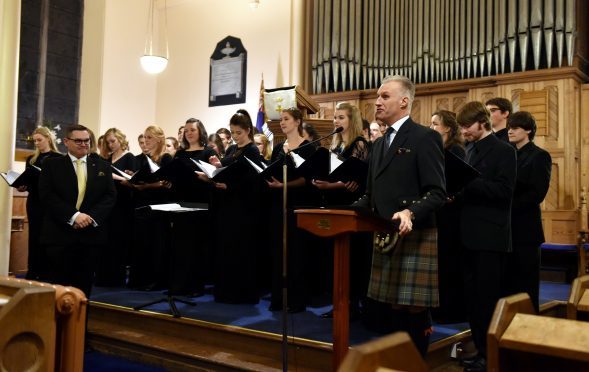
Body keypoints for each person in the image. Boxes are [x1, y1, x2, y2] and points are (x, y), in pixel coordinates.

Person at [354, 75, 446, 357]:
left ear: (404, 101)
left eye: (384, 96)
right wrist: (345, 210)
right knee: (392, 307)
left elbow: (436, 192)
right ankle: (399, 361)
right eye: (377, 96)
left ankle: (416, 363)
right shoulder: (379, 144)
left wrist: (410, 211)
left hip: (414, 232)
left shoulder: (425, 137)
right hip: (384, 234)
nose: (377, 102)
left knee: (413, 309)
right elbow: (371, 194)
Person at [457, 101, 516, 372]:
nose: (463, 132)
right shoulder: (469, 149)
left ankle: (491, 355)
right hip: (469, 233)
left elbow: (505, 192)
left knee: (488, 300)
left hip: (490, 236)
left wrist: (467, 181)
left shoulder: (504, 150)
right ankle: (480, 349)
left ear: (483, 122)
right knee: (472, 299)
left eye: (467, 126)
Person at [38, 124, 116, 297]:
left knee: (83, 290)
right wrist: (74, 216)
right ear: (66, 141)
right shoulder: (52, 165)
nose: (83, 144)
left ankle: (80, 325)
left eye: (87, 140)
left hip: (90, 237)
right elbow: (46, 195)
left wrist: (90, 217)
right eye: (78, 141)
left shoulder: (102, 165)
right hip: (60, 235)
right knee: (59, 290)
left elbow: (109, 196)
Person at [311, 102, 371, 319]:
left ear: (351, 120)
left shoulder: (360, 144)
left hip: (352, 207)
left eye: (341, 117)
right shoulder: (335, 146)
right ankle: (339, 303)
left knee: (353, 258)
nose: (336, 121)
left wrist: (332, 184)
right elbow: (338, 176)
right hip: (334, 203)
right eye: (335, 117)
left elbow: (356, 180)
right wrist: (322, 181)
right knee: (336, 257)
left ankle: (354, 304)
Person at [207, 113, 265, 304]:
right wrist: (215, 168)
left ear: (248, 130)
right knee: (226, 249)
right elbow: (226, 168)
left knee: (241, 250)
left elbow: (253, 181)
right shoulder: (232, 149)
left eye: (239, 132)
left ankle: (242, 294)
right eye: (233, 132)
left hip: (243, 209)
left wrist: (230, 186)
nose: (235, 136)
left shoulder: (253, 151)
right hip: (227, 206)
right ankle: (226, 291)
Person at [267, 107, 318, 313]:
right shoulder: (279, 148)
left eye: (286, 119)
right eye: (281, 120)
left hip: (298, 202)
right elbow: (272, 171)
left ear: (297, 122)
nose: (282, 123)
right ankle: (279, 298)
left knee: (296, 252)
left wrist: (284, 185)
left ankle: (296, 299)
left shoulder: (308, 147)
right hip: (278, 202)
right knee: (279, 250)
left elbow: (307, 179)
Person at [506, 111, 551, 312]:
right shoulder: (508, 154)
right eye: (509, 127)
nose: (510, 131)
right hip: (506, 228)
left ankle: (527, 324)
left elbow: (537, 194)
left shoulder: (540, 156)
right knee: (509, 282)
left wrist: (506, 205)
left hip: (525, 228)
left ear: (529, 130)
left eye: (515, 127)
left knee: (526, 282)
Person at [429, 110, 468, 323]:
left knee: (450, 262)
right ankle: (439, 308)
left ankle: (451, 310)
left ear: (448, 128)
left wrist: (452, 194)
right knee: (440, 263)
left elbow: (462, 180)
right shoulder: (437, 148)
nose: (431, 127)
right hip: (439, 210)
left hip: (452, 214)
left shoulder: (456, 150)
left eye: (435, 123)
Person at [94, 128, 137, 287]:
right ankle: (104, 276)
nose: (110, 145)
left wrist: (118, 177)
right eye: (108, 142)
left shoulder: (129, 157)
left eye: (113, 141)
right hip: (107, 203)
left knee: (118, 240)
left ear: (120, 140)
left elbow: (133, 180)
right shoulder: (107, 158)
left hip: (123, 202)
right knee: (106, 239)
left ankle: (115, 278)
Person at [18, 127, 62, 280]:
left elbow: (61, 184)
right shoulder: (31, 159)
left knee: (48, 236)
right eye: (34, 140)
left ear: (48, 139)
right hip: (34, 201)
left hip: (50, 203)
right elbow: (28, 180)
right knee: (34, 235)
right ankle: (33, 270)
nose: (36, 143)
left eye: (39, 140)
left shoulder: (58, 158)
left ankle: (47, 272)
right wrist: (21, 185)